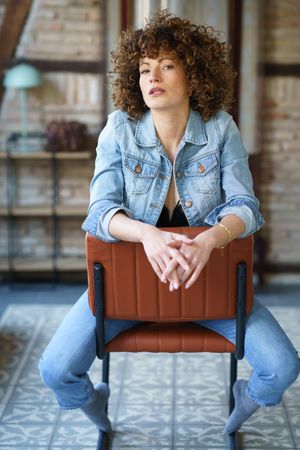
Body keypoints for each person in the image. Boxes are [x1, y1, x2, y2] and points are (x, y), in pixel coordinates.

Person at [39, 9, 299, 440]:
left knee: (283, 367)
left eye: (167, 65)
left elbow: (246, 206)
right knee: (55, 370)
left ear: (193, 76)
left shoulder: (220, 129)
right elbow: (99, 212)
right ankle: (98, 410)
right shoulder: (118, 130)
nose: (151, 77)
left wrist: (210, 239)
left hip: (213, 292)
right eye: (144, 68)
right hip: (126, 294)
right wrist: (147, 234)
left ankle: (238, 412)